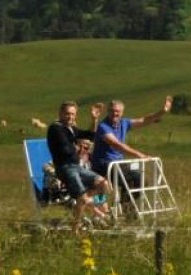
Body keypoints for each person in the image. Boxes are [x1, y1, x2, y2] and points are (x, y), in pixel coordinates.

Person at [91, 96, 172, 212]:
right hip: (103, 165)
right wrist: (139, 155)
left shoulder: (124, 123)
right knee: (99, 193)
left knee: (140, 180)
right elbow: (117, 144)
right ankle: (114, 211)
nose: (115, 114)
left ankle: (123, 207)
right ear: (108, 112)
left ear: (122, 112)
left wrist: (162, 112)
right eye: (112, 111)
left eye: (117, 111)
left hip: (117, 164)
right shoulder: (103, 127)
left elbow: (144, 120)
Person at [46, 101, 110, 232]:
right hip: (65, 168)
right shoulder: (55, 128)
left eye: (73, 114)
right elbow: (66, 149)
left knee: (104, 184)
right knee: (82, 198)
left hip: (77, 167)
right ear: (60, 114)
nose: (70, 117)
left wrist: (94, 119)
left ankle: (91, 209)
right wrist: (78, 147)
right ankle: (82, 224)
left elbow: (90, 135)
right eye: (67, 114)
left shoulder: (71, 129)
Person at [76, 139, 111, 226]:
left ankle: (101, 216)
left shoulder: (90, 160)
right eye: (79, 147)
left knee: (100, 193)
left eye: (86, 148)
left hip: (87, 187)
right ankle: (101, 216)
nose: (82, 150)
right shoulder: (69, 158)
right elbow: (47, 166)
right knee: (88, 197)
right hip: (74, 188)